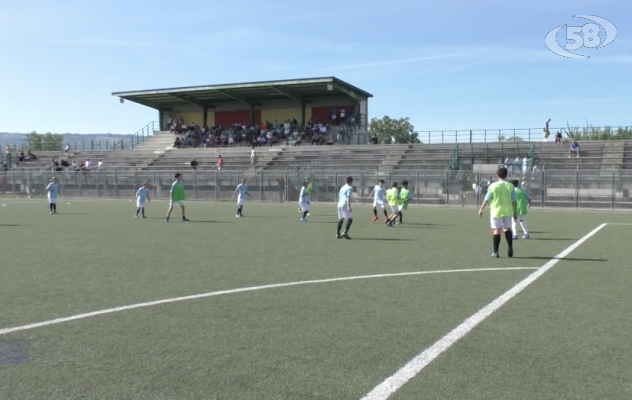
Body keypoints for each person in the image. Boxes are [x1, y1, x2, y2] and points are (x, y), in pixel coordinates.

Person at [478, 167, 518, 258]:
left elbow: (487, 199)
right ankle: (510, 248)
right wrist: (515, 212)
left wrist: (481, 209)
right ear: (506, 175)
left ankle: (496, 252)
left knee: (497, 230)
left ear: (497, 175)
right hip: (508, 211)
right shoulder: (510, 186)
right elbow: (514, 201)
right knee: (507, 229)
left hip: (496, 211)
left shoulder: (493, 186)